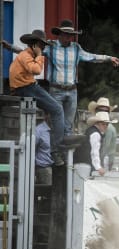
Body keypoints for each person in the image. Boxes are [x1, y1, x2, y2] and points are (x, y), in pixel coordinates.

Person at [4, 20, 119, 136]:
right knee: (57, 120)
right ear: (59, 34)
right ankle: (56, 150)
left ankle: (64, 152)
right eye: (65, 34)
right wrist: (10, 47)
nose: (68, 38)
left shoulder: (76, 48)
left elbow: (92, 57)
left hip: (72, 90)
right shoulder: (51, 46)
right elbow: (28, 52)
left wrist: (109, 58)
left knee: (68, 125)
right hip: (56, 89)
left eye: (70, 35)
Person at [9, 29, 67, 166]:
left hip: (25, 87)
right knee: (58, 109)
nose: (43, 48)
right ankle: (55, 149)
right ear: (35, 45)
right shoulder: (26, 55)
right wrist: (40, 56)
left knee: (52, 108)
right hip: (26, 88)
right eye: (42, 45)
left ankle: (56, 142)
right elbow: (36, 70)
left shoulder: (25, 55)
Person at [73, 111, 112, 176]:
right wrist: (98, 167)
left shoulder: (90, 130)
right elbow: (94, 152)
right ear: (97, 123)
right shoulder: (96, 134)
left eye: (107, 124)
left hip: (81, 163)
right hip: (85, 164)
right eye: (103, 124)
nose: (105, 126)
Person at [88, 97, 118, 170]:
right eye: (100, 110)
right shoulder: (103, 127)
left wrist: (99, 167)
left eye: (105, 110)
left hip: (105, 161)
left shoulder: (107, 128)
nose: (103, 111)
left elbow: (104, 150)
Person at [35, 117, 54, 185]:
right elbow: (32, 149)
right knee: (49, 191)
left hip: (56, 167)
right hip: (44, 167)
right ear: (47, 115)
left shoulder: (58, 128)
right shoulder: (38, 130)